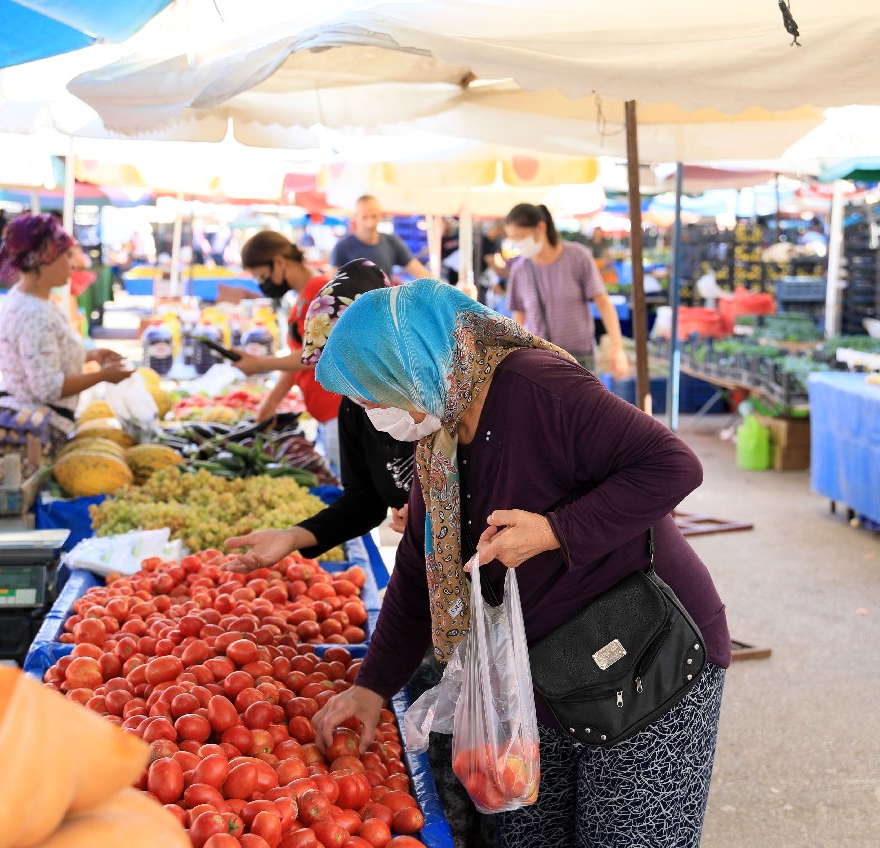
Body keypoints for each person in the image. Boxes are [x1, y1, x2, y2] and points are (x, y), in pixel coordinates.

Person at [311, 279, 730, 848]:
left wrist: (555, 530)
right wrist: (373, 686)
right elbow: (418, 567)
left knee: (625, 836)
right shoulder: (439, 433)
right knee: (531, 833)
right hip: (542, 675)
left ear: (409, 368)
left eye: (374, 398)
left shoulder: (536, 386)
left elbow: (674, 466)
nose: (374, 416)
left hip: (644, 657)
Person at [224, 260, 413, 568]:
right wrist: (293, 536)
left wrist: (434, 513)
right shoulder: (355, 405)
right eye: (339, 375)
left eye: (360, 368)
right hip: (425, 563)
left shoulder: (450, 400)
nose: (357, 391)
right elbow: (363, 500)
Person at [0, 215, 132, 448]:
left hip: (26, 420)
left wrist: (91, 356)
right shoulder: (34, 312)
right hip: (33, 432)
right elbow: (48, 388)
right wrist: (103, 376)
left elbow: (39, 358)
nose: (74, 264)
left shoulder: (28, 298)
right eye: (66, 255)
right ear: (43, 260)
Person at [232, 231, 344, 472]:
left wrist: (260, 363)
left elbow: (313, 355)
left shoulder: (319, 292)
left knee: (353, 492)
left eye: (262, 276)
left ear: (280, 262)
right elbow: (296, 361)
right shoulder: (302, 299)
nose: (263, 284)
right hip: (328, 417)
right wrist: (271, 402)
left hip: (339, 414)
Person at [503, 203, 631, 379]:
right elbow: (518, 318)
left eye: (519, 236)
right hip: (539, 361)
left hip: (580, 360)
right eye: (512, 238)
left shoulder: (578, 257)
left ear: (540, 227)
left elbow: (603, 303)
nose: (517, 243)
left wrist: (617, 347)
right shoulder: (520, 270)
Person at [331, 195, 430, 281]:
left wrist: (442, 288)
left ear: (380, 215)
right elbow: (332, 284)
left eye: (373, 216)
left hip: (385, 301)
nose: (370, 223)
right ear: (356, 217)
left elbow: (419, 271)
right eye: (364, 217)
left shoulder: (392, 241)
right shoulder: (342, 247)